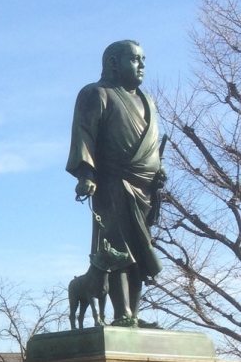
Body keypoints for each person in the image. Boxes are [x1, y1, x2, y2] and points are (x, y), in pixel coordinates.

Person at [66, 40, 167, 326]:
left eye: (143, 59)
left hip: (144, 188)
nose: (142, 65)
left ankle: (134, 313)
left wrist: (158, 169)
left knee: (140, 249)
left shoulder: (148, 101)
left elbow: (150, 146)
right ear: (113, 63)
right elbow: (84, 134)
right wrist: (86, 174)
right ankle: (122, 313)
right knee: (117, 247)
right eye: (135, 59)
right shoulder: (96, 93)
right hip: (112, 181)